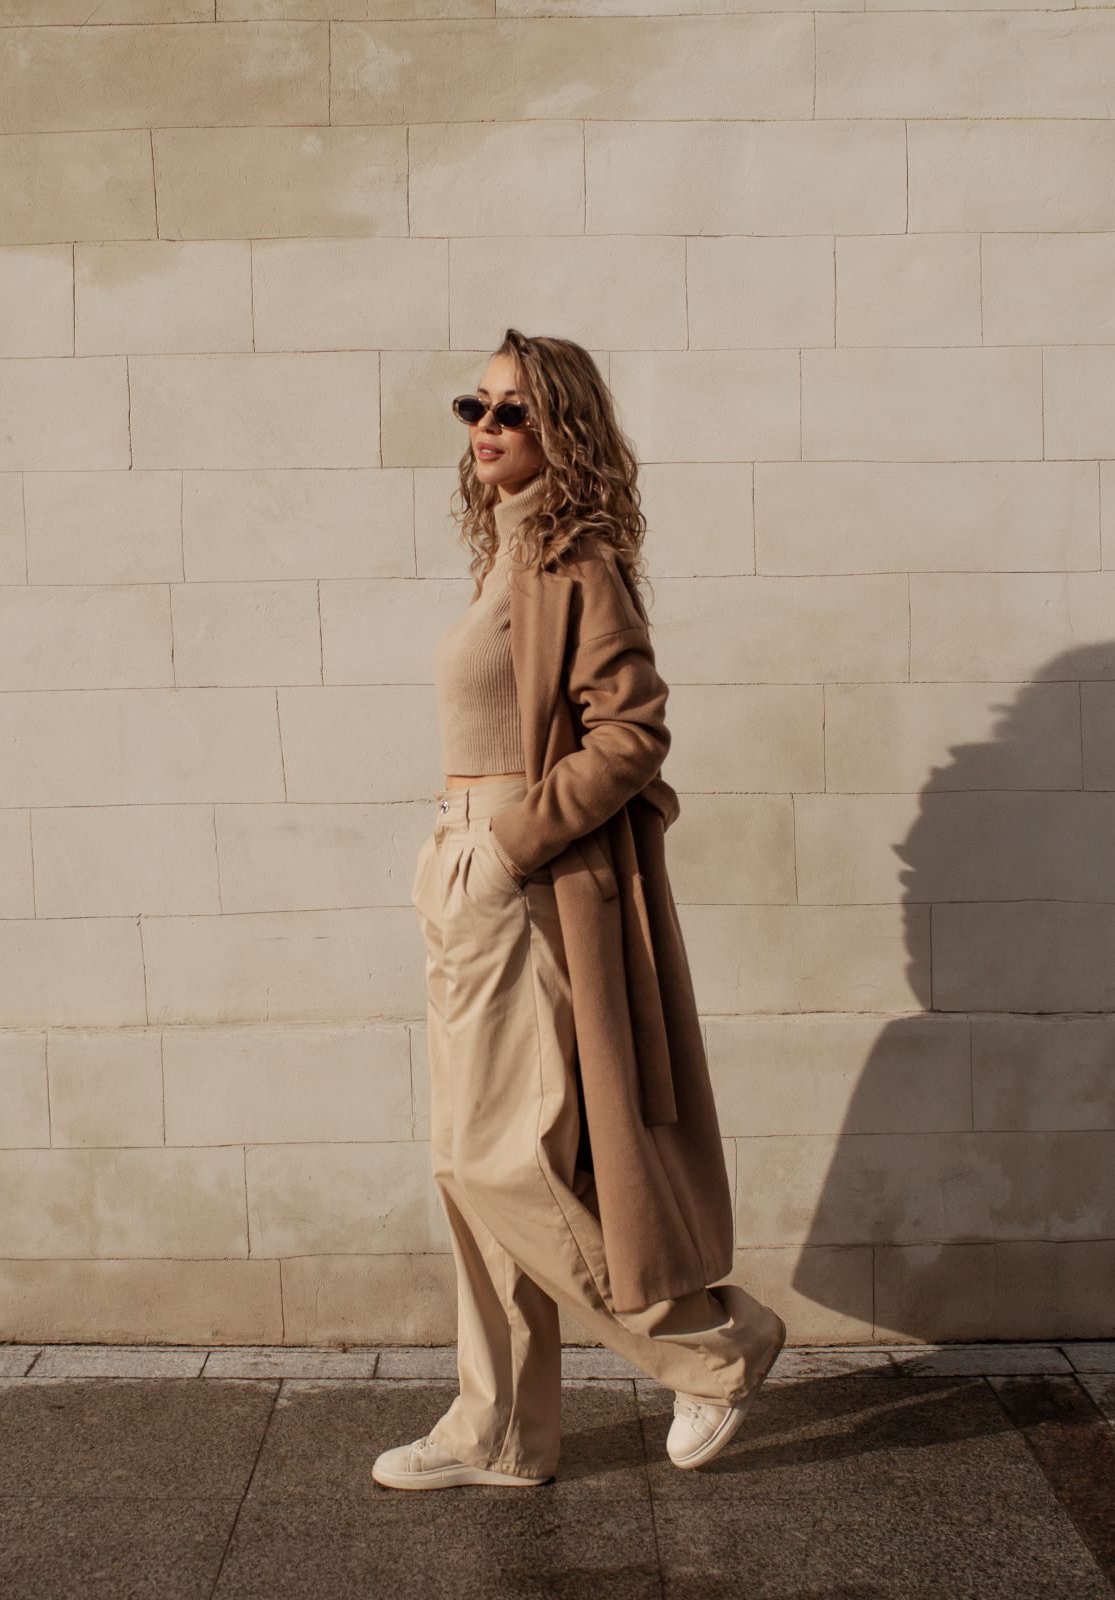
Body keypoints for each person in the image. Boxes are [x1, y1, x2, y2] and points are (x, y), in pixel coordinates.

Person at [373, 330, 787, 1491]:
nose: (486, 428)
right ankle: (503, 1430)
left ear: (563, 429)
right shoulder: (507, 555)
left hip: (517, 873)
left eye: (512, 411)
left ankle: (714, 1346)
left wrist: (511, 842)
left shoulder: (573, 558)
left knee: (496, 1160)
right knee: (465, 1166)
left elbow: (634, 729)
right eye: (475, 407)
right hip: (465, 865)